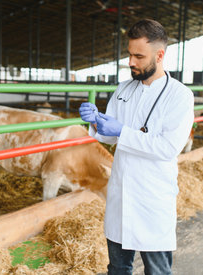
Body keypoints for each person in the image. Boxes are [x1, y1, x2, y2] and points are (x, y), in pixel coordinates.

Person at [79, 19, 194, 275]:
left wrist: (122, 131)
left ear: (160, 55)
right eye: (130, 54)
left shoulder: (180, 96)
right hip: (120, 196)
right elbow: (109, 136)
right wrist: (96, 121)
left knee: (157, 271)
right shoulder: (123, 89)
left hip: (152, 199)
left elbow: (167, 147)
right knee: (118, 268)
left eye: (139, 56)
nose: (131, 62)